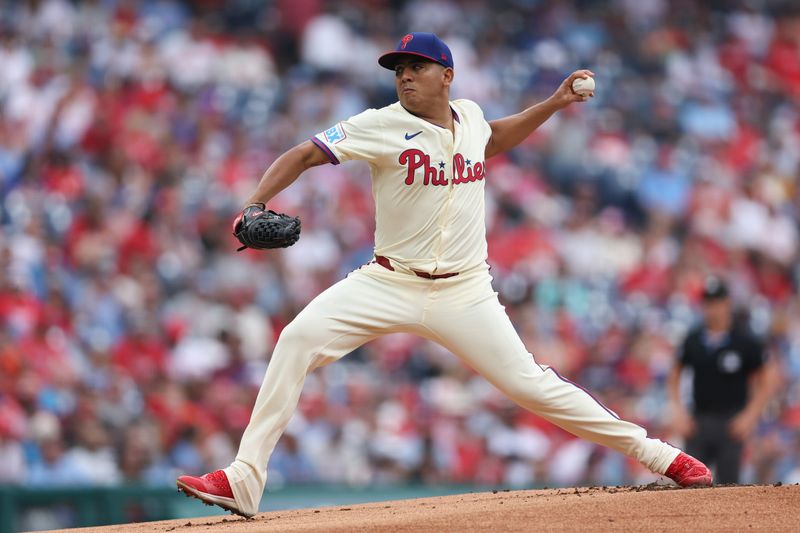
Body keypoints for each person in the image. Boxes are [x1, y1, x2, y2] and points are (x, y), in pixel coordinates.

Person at [177, 32, 712, 518]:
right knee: (296, 339)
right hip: (387, 281)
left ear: (447, 75)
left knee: (533, 387)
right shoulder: (379, 124)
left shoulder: (471, 117)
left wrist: (552, 103)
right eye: (399, 68)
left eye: (417, 66)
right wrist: (253, 204)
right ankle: (243, 482)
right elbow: (303, 154)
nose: (405, 75)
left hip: (465, 290)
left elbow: (495, 138)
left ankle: (662, 457)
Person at [668, 275, 779, 484]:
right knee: (693, 483)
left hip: (732, 423)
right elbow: (674, 373)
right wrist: (678, 411)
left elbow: (768, 377)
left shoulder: (744, 340)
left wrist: (751, 415)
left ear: (727, 303)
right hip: (699, 421)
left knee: (730, 484)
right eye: (708, 303)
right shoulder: (693, 339)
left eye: (717, 302)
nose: (712, 308)